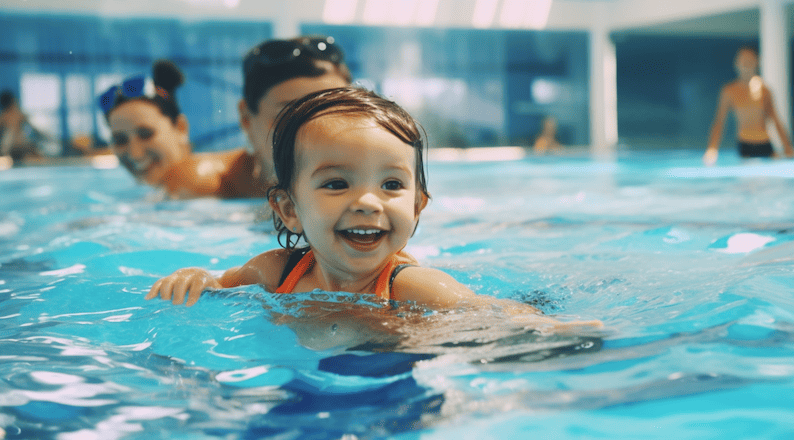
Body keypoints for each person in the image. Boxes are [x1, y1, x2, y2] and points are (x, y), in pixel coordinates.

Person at [146, 87, 598, 329]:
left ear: (418, 206)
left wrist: (551, 329)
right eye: (337, 183)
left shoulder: (412, 287)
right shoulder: (275, 273)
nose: (367, 202)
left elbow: (485, 308)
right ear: (289, 209)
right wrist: (197, 279)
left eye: (391, 184)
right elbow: (220, 282)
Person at [101, 60, 263, 198]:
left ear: (181, 128)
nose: (135, 153)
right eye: (120, 140)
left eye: (146, 134)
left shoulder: (190, 180)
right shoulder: (162, 193)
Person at [238, 36, 351, 189]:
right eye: (290, 115)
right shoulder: (206, 187)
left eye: (332, 111)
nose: (316, 130)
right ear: (246, 119)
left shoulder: (379, 178)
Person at [703, 47, 794, 166]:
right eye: (743, 61)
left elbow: (775, 119)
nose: (746, 64)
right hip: (745, 144)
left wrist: (787, 146)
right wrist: (712, 149)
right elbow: (720, 122)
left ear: (756, 62)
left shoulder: (765, 91)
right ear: (736, 64)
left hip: (765, 143)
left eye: (750, 60)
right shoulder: (730, 91)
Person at [0, 90, 44, 163]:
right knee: (38, 158)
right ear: (12, 102)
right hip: (21, 146)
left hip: (9, 149)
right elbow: (36, 130)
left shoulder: (3, 116)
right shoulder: (18, 114)